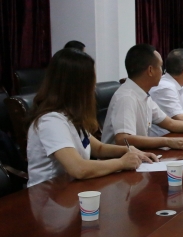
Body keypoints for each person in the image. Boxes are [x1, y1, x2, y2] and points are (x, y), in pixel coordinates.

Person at [26, 49, 156, 187]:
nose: (94, 87)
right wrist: (122, 163)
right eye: (91, 81)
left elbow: (98, 148)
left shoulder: (70, 115)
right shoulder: (51, 121)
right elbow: (78, 168)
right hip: (49, 194)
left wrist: (128, 150)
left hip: (71, 189)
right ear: (77, 86)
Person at [102, 44, 183, 149]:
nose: (163, 72)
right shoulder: (127, 97)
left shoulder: (142, 94)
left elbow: (170, 123)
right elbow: (123, 139)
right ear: (150, 70)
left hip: (138, 156)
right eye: (160, 66)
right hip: (118, 164)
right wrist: (167, 142)